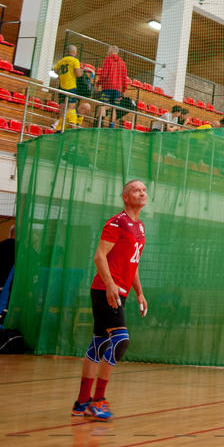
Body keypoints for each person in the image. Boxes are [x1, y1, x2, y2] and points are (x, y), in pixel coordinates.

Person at [71, 179, 148, 420]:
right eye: (137, 190)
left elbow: (133, 264)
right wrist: (110, 284)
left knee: (100, 343)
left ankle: (81, 403)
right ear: (126, 196)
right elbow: (99, 256)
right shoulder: (117, 222)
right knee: (121, 341)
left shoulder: (140, 227)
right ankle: (98, 400)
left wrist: (139, 292)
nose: (142, 193)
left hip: (120, 291)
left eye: (144, 190)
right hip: (105, 291)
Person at [96, 46, 128, 111]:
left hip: (107, 87)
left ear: (110, 51)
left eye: (108, 51)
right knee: (114, 108)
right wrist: (124, 90)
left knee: (102, 105)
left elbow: (104, 74)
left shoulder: (108, 59)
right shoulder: (123, 63)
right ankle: (112, 118)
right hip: (117, 89)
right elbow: (124, 78)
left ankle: (100, 117)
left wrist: (98, 83)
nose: (107, 52)